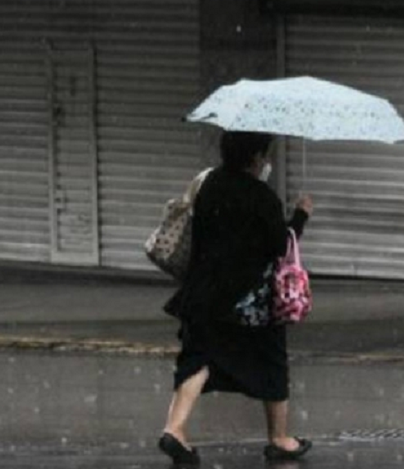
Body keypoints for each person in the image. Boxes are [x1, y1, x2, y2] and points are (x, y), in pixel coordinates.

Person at [159, 131, 314, 465]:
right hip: (247, 302)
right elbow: (279, 246)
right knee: (270, 362)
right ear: (256, 157)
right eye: (264, 155)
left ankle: (175, 429)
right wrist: (300, 216)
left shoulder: (207, 184)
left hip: (201, 293)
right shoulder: (261, 197)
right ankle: (279, 438)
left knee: (197, 359)